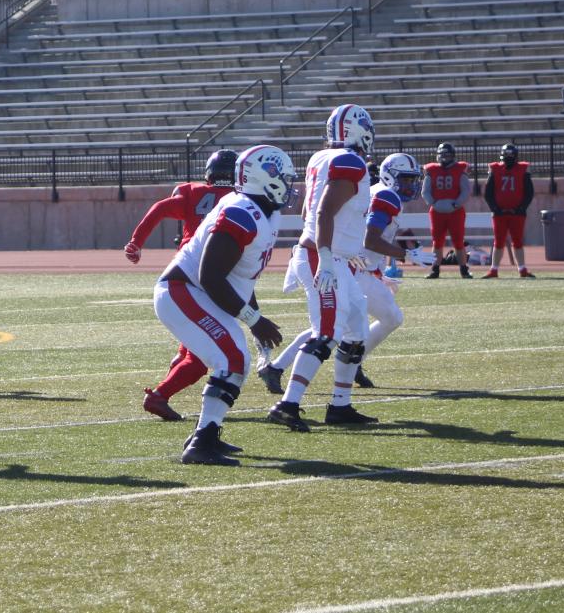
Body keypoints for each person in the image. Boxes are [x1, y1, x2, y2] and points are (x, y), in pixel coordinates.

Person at [155, 145, 292, 463]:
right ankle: (201, 444)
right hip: (184, 290)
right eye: (283, 177)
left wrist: (253, 314)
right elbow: (211, 275)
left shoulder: (262, 211)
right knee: (232, 358)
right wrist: (253, 319)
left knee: (237, 360)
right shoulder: (241, 212)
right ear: (264, 178)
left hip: (203, 293)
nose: (288, 184)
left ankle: (207, 435)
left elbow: (241, 276)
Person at [260, 152, 419, 395]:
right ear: (391, 175)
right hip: (346, 263)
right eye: (406, 179)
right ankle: (348, 366)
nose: (410, 185)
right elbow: (369, 238)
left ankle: (280, 368)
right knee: (354, 323)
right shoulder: (385, 195)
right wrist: (403, 255)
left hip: (349, 262)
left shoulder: (375, 191)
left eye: (412, 180)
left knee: (334, 324)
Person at [268, 104, 379, 432]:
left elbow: (308, 210)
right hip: (322, 258)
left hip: (332, 255)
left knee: (357, 331)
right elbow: (323, 213)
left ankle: (340, 406)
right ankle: (288, 404)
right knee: (326, 334)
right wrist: (329, 257)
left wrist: (346, 250)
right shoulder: (350, 161)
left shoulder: (322, 158)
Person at [122, 149, 239, 422]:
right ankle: (160, 395)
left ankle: (178, 363)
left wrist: (136, 242)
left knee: (194, 346)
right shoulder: (239, 200)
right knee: (204, 357)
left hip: (181, 273)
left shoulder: (193, 192)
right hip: (208, 278)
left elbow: (160, 209)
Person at [483, 144, 535, 279]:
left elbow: (529, 192)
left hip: (517, 213)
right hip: (499, 213)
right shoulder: (495, 169)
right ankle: (494, 270)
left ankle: (522, 269)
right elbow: (488, 193)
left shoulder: (522, 169)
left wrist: (521, 207)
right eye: (507, 155)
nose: (509, 158)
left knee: (517, 241)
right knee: (498, 241)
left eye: (511, 156)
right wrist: (495, 208)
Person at [423, 143, 472, 279]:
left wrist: (456, 203)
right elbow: (425, 191)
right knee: (437, 242)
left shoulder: (459, 169)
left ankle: (463, 269)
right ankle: (435, 269)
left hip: (455, 211)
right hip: (437, 211)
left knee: (458, 241)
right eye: (442, 154)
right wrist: (433, 202)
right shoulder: (431, 170)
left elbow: (466, 190)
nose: (445, 157)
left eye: (447, 154)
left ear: (453, 156)